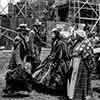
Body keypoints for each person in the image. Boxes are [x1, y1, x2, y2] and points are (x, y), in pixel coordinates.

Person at [32, 28, 70, 93]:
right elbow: (53, 52)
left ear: (57, 34)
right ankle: (42, 85)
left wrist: (53, 59)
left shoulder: (60, 43)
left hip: (59, 61)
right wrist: (49, 57)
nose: (51, 35)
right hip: (52, 58)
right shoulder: (54, 42)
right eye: (51, 33)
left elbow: (59, 54)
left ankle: (55, 89)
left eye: (53, 33)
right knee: (43, 69)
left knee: (55, 73)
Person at [67, 24, 96, 100]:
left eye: (77, 35)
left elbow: (87, 54)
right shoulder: (77, 42)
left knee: (80, 80)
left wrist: (76, 55)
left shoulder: (86, 42)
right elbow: (74, 51)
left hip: (82, 64)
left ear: (80, 36)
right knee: (74, 79)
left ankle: (80, 96)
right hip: (76, 63)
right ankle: (72, 95)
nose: (75, 36)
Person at [3, 24, 33, 94]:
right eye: (23, 31)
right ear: (20, 31)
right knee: (15, 75)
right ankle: (9, 89)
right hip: (17, 60)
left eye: (25, 31)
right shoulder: (18, 39)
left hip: (21, 59)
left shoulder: (23, 38)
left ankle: (15, 89)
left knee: (19, 75)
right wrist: (19, 62)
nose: (25, 32)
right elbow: (17, 52)